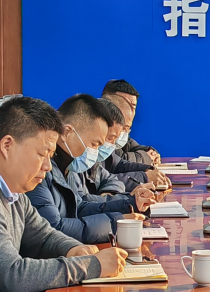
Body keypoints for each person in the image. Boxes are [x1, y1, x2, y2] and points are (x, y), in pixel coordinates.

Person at [0, 97, 128, 292]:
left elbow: (44, 235)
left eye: (50, 156)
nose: (48, 166)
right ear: (7, 145)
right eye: (42, 154)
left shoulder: (15, 194)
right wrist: (90, 265)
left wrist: (73, 249)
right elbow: (11, 275)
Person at [27, 94, 155, 244]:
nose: (96, 152)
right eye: (94, 144)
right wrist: (115, 222)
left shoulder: (69, 166)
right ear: (67, 133)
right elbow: (53, 229)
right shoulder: (38, 171)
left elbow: (79, 207)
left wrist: (129, 204)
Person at [96, 97, 169, 193]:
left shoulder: (106, 146)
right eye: (124, 128)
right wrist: (144, 177)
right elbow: (101, 182)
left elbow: (119, 164)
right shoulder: (85, 156)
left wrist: (147, 169)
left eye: (127, 129)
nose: (114, 143)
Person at [102, 79, 161, 165]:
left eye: (133, 106)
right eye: (123, 103)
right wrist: (146, 157)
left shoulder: (122, 133)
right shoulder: (100, 127)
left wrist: (150, 152)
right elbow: (117, 162)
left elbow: (131, 146)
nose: (128, 110)